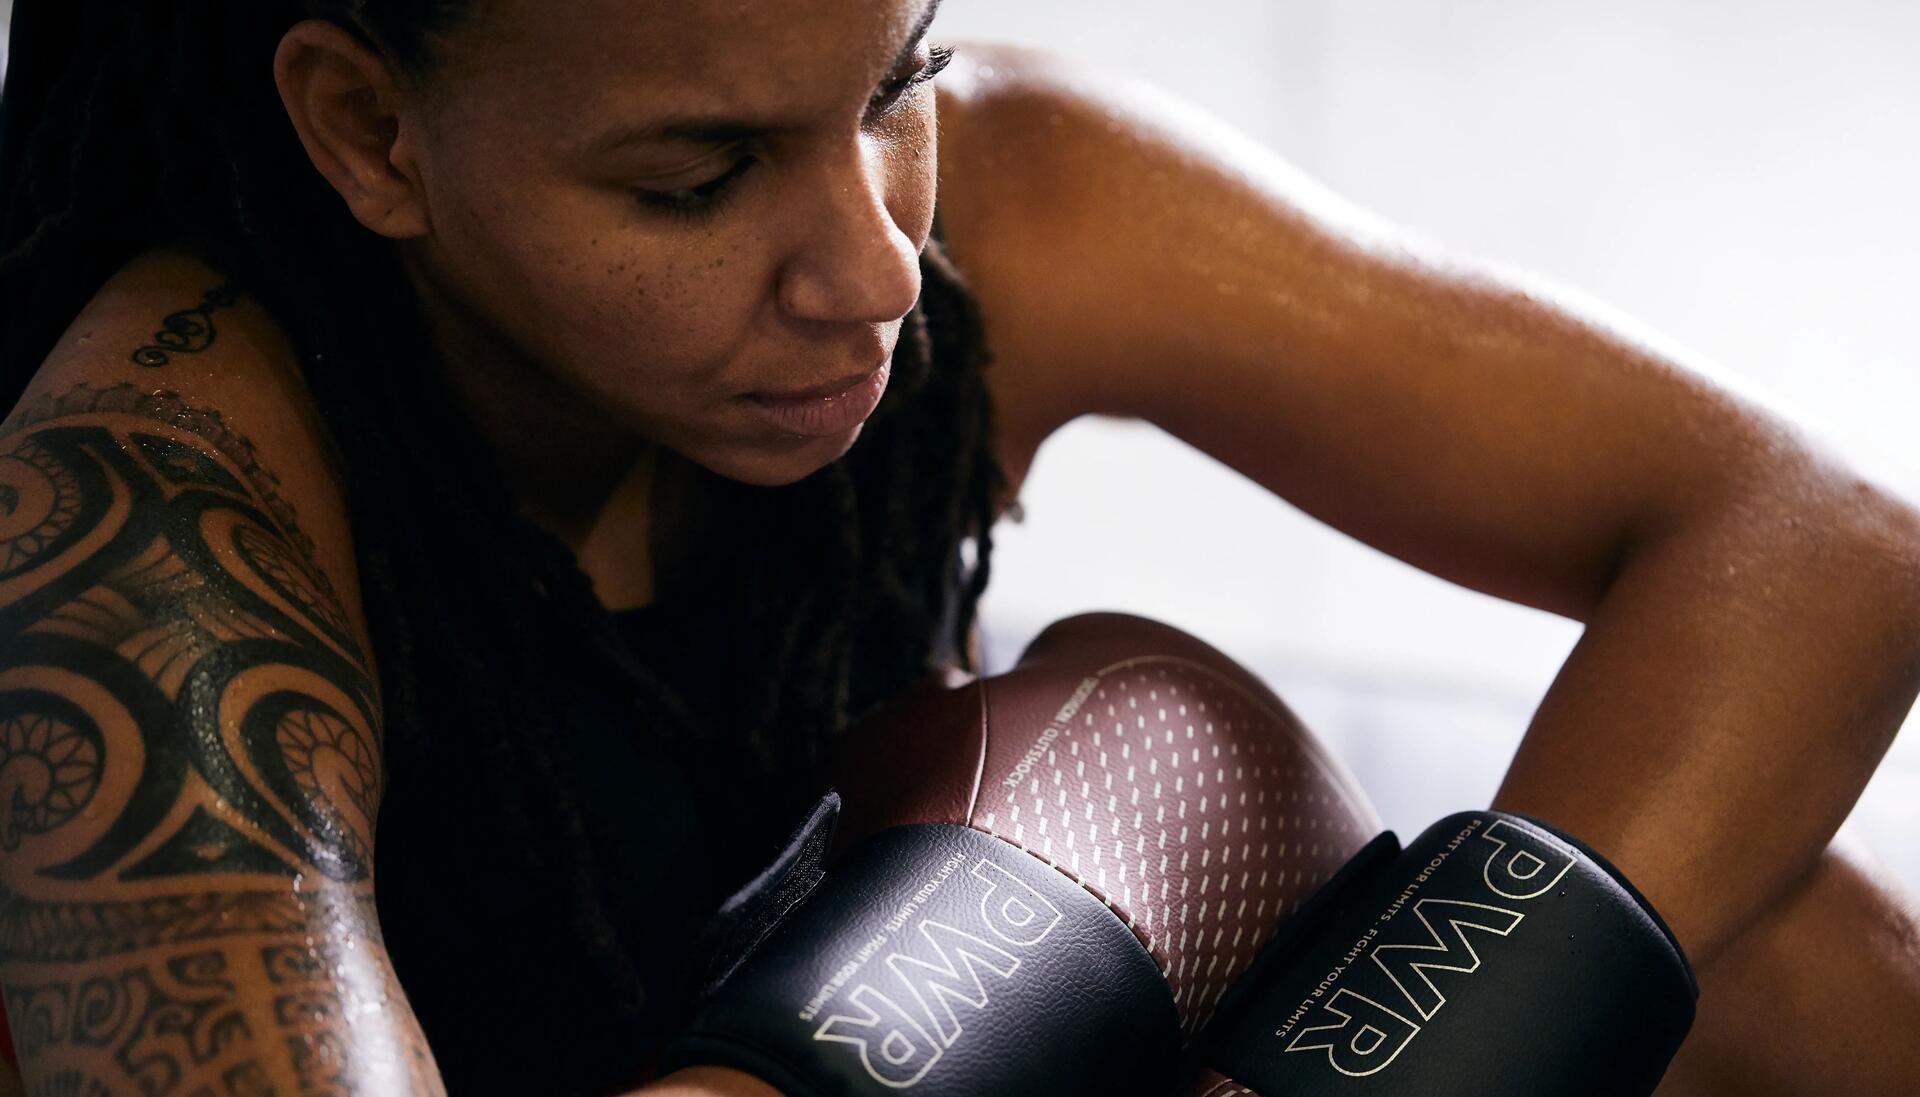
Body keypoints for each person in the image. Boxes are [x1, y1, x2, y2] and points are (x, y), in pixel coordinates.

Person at [0, 1, 1914, 1095]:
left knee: (1786, 960)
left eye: (895, 77)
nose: (874, 267)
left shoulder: (1003, 203)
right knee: (1149, 755)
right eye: (698, 179)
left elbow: (1824, 541)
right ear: (368, 133)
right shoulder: (148, 513)